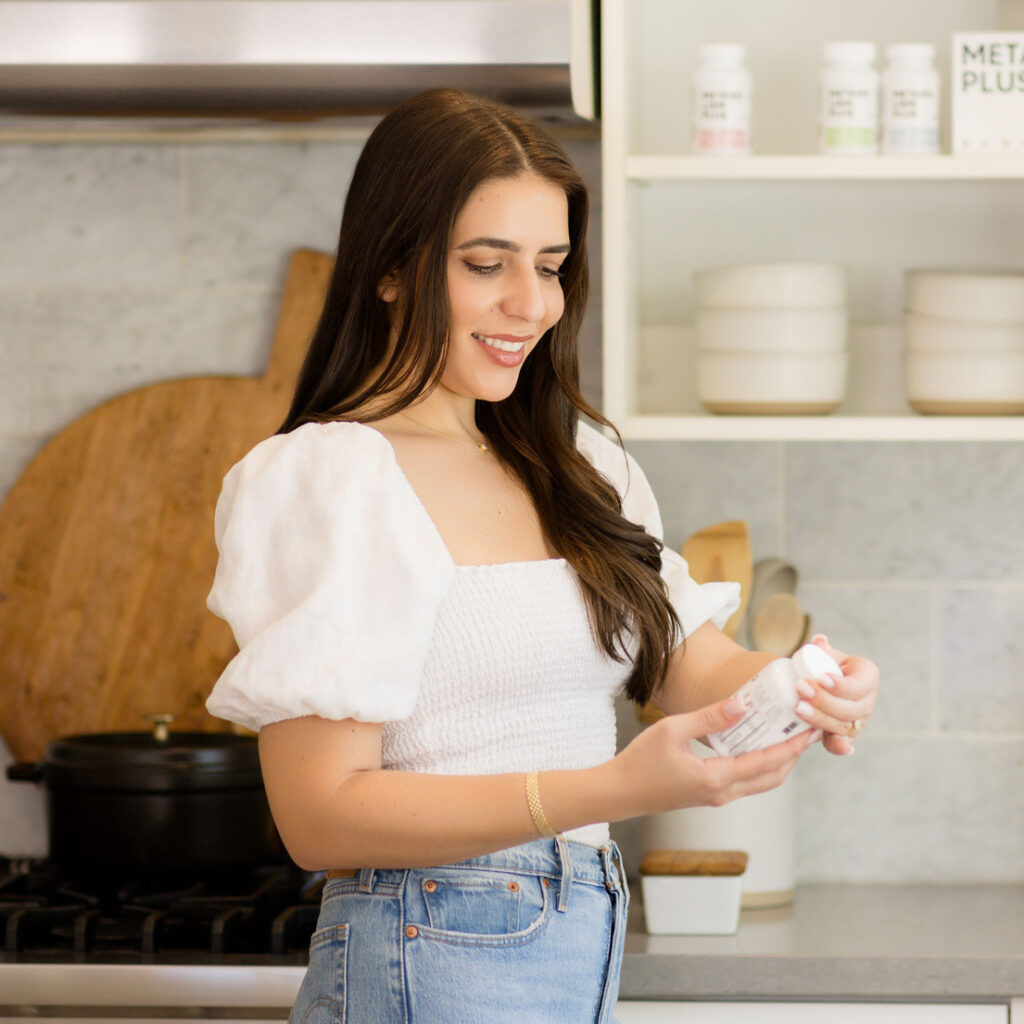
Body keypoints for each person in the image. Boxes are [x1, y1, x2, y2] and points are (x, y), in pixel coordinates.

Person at [205, 88, 879, 1024]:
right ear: (392, 268)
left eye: (552, 266)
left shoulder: (578, 463)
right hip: (423, 945)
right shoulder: (330, 479)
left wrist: (801, 683)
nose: (532, 304)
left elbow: (684, 662)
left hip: (575, 932)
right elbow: (321, 818)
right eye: (488, 265)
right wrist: (612, 787)